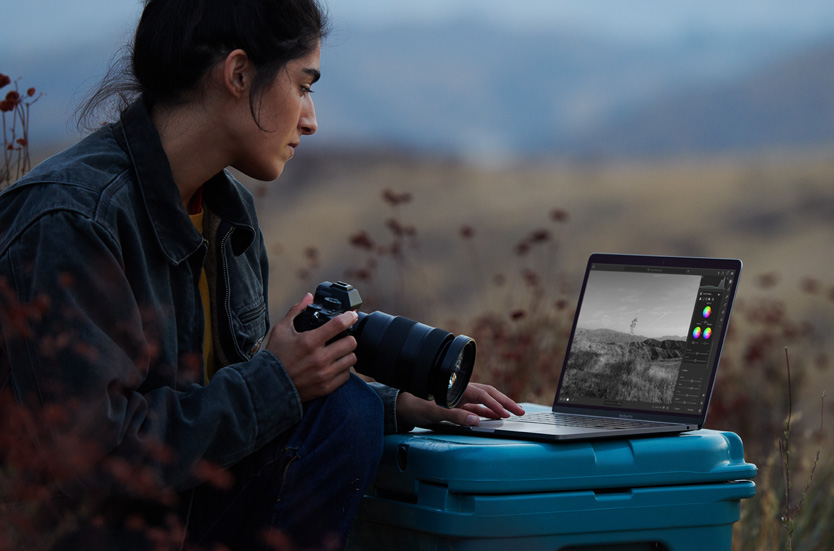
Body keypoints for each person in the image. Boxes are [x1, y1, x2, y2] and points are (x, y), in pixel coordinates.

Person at [0, 0, 524, 549]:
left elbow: (227, 397)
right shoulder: (72, 220)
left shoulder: (228, 215)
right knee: (344, 414)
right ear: (239, 74)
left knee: (351, 409)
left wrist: (396, 404)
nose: (311, 120)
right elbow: (93, 455)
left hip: (182, 514)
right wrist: (278, 382)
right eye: (302, 86)